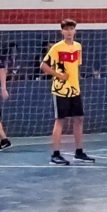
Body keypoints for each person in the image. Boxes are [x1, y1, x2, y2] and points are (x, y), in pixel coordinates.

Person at [40, 19, 94, 165]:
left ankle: (79, 152)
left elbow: (76, 67)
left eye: (71, 29)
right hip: (60, 90)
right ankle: (55, 154)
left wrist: (76, 83)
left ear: (75, 31)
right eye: (66, 29)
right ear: (62, 31)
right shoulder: (57, 48)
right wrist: (59, 76)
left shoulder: (78, 47)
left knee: (79, 119)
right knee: (60, 121)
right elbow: (43, 66)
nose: (69, 32)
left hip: (75, 89)